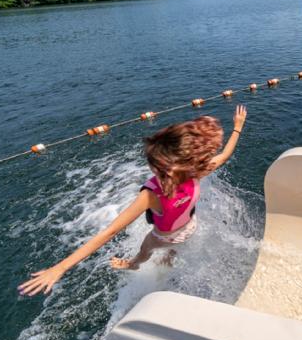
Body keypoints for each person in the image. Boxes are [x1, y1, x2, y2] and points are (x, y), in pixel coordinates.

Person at [19, 105, 247, 296]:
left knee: (145, 250)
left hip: (162, 236)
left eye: (155, 163)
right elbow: (225, 155)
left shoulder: (151, 194)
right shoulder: (197, 171)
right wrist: (237, 127)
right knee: (175, 247)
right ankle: (168, 259)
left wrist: (60, 268)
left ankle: (134, 263)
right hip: (189, 228)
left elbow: (108, 233)